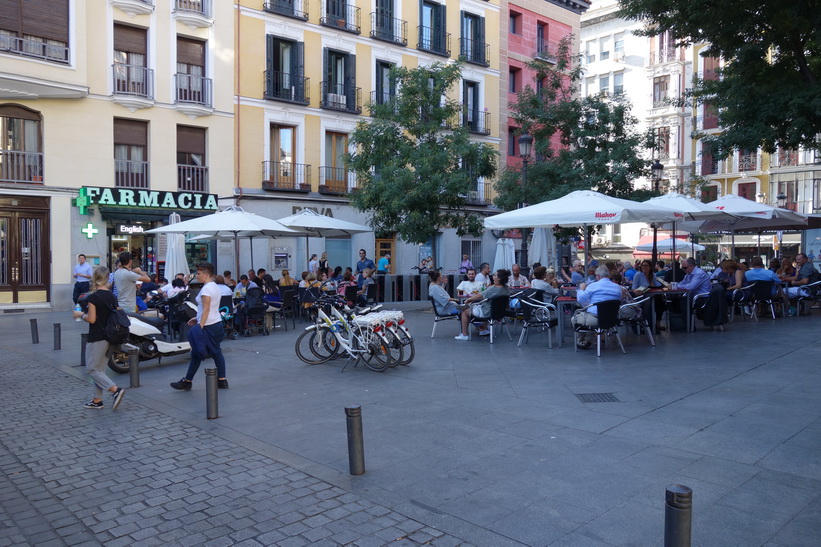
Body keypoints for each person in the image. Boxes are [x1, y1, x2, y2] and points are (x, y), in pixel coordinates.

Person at [73, 266, 126, 409]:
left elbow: (91, 319)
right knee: (99, 370)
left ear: (94, 278)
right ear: (108, 278)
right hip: (110, 336)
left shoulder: (94, 297)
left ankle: (115, 390)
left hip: (97, 336)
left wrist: (80, 315)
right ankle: (97, 400)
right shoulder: (112, 296)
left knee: (92, 369)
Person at [171, 263, 228, 391]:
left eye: (199, 273)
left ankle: (188, 381)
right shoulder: (214, 286)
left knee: (202, 353)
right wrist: (197, 318)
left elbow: (206, 309)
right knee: (212, 352)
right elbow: (209, 309)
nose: (197, 276)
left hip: (208, 325)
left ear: (206, 275)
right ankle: (221, 380)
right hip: (215, 322)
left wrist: (200, 325)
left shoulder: (207, 289)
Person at [571, 265, 623, 349]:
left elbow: (580, 299)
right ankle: (588, 339)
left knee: (575, 318)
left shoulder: (593, 286)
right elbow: (618, 300)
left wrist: (581, 289)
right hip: (612, 319)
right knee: (590, 317)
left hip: (596, 318)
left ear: (598, 276)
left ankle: (581, 341)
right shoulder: (617, 287)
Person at [455, 269, 511, 340]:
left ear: (499, 278)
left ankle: (464, 334)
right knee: (474, 308)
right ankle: (483, 329)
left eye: (495, 275)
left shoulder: (492, 288)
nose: (493, 276)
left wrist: (468, 300)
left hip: (487, 312)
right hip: (500, 313)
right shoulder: (506, 288)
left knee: (465, 311)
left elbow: (479, 296)